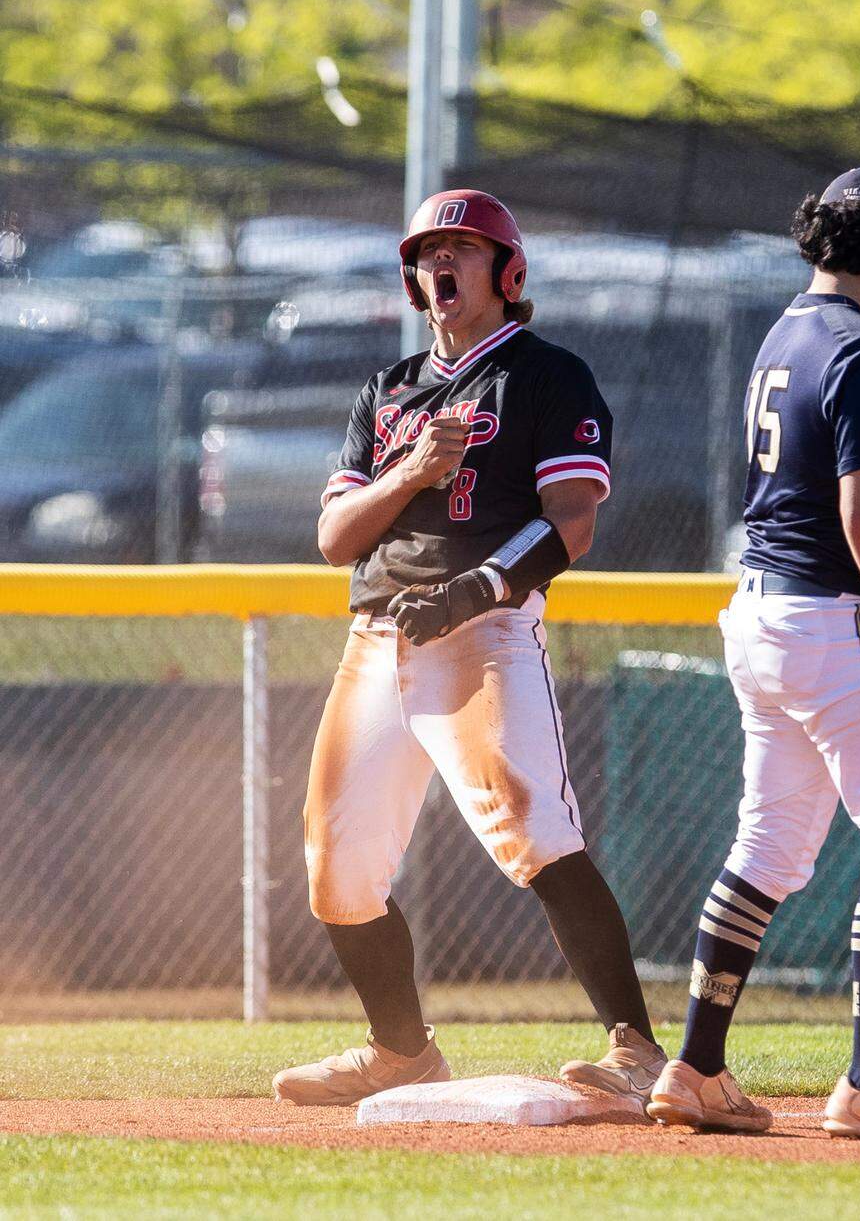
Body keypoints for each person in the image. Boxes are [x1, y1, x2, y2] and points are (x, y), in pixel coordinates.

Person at [273, 189, 664, 1107]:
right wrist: (414, 468)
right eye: (427, 252)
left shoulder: (545, 375)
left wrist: (476, 588)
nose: (440, 263)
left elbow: (572, 525)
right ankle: (401, 1049)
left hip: (482, 633)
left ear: (508, 271)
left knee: (535, 834)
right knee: (338, 870)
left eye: (462, 248)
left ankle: (639, 1050)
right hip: (377, 637)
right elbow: (335, 538)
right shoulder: (389, 390)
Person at [647, 166, 860, 1141]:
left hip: (760, 615)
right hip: (836, 618)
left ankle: (699, 1063)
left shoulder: (785, 332)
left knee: (773, 842)